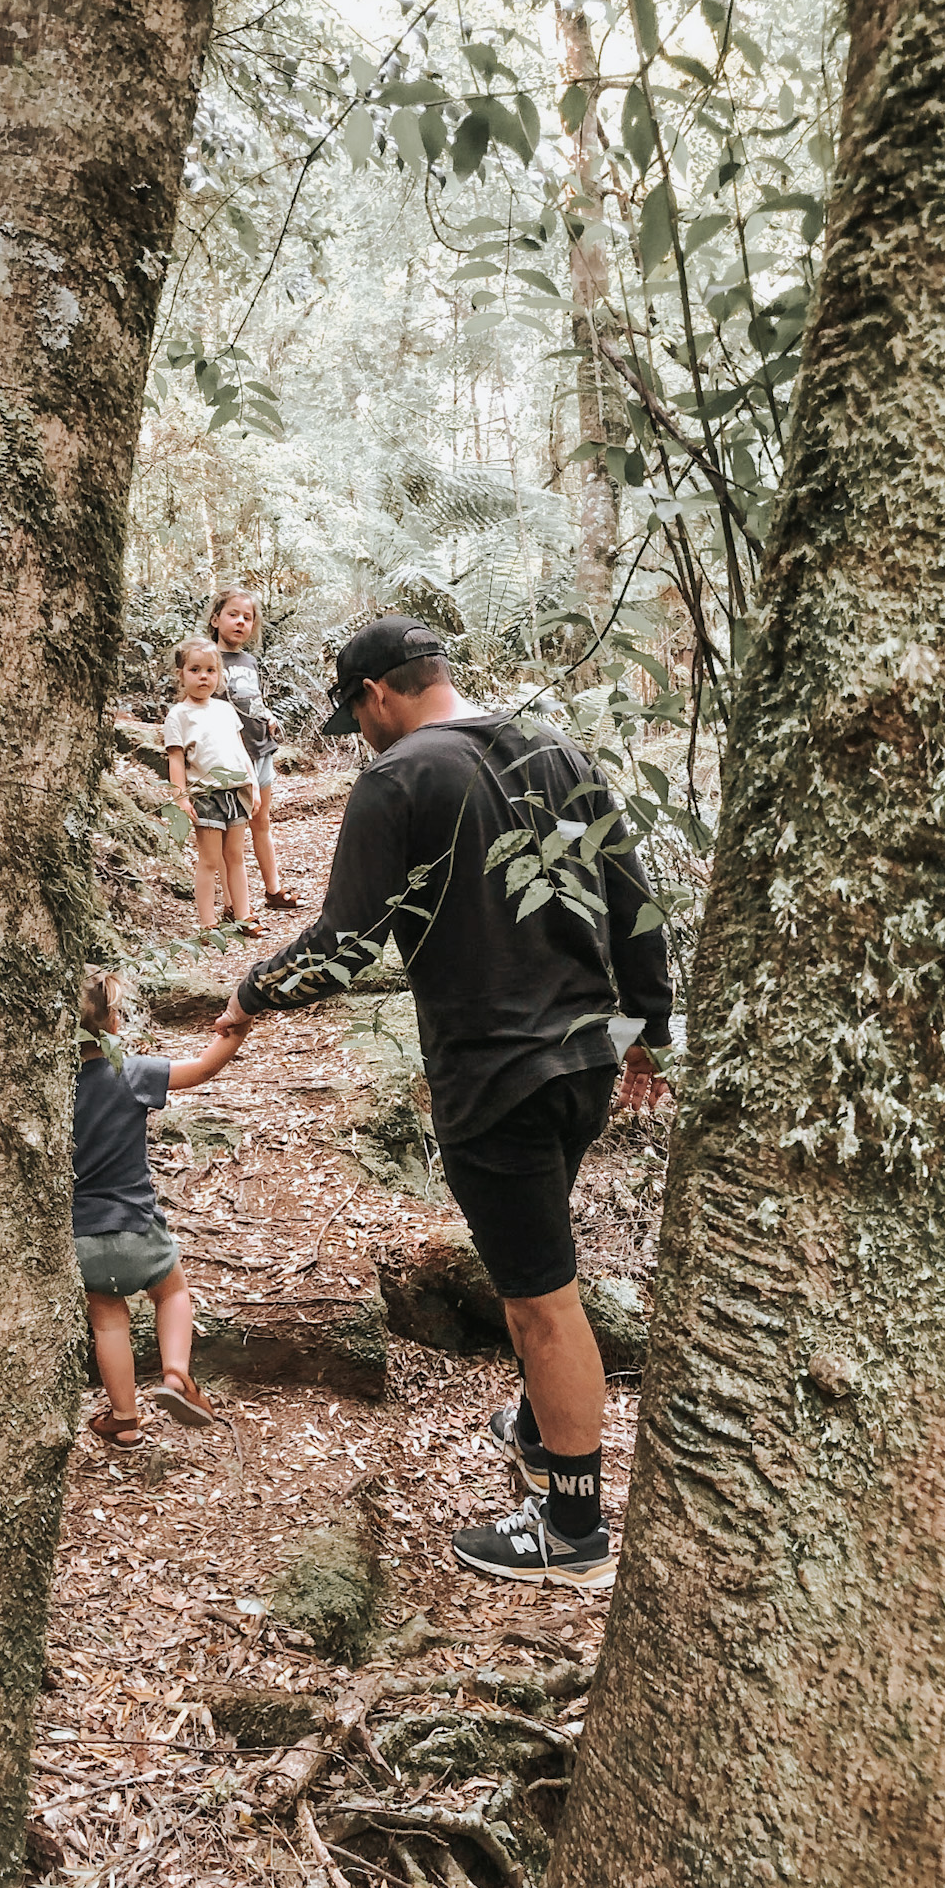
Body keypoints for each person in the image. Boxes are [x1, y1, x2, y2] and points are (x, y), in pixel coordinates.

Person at [215, 615, 673, 1588]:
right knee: (534, 1265)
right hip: (588, 1058)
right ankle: (546, 1424)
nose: (361, 733)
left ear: (380, 693)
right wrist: (654, 1028)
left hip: (495, 1074)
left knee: (544, 1300)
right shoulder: (557, 747)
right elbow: (633, 897)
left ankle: (572, 1527)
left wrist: (252, 992)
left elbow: (346, 941)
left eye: (357, 714)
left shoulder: (400, 778)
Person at [74, 970, 246, 1446]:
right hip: (136, 1223)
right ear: (111, 1024)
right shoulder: (129, 1072)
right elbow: (201, 1071)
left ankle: (124, 1420)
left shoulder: (52, 1091)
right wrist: (235, 1034)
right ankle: (175, 1375)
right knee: (171, 1292)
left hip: (82, 1234)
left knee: (107, 1318)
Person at [205, 585, 303, 914]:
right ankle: (233, 904)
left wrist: (269, 716)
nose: (240, 622)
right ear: (216, 619)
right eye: (233, 615)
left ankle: (273, 890)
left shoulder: (249, 660)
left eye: (248, 618)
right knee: (232, 833)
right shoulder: (208, 659)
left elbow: (254, 700)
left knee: (262, 824)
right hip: (230, 758)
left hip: (261, 749)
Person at [163, 635, 264, 937]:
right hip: (206, 795)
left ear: (218, 674)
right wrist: (180, 797)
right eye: (195, 670)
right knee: (208, 860)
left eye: (210, 670)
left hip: (237, 791)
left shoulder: (224, 710)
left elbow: (239, 749)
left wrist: (254, 784)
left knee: (235, 856)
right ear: (181, 674)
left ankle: (243, 915)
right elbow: (176, 760)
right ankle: (208, 923)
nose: (203, 677)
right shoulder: (178, 715)